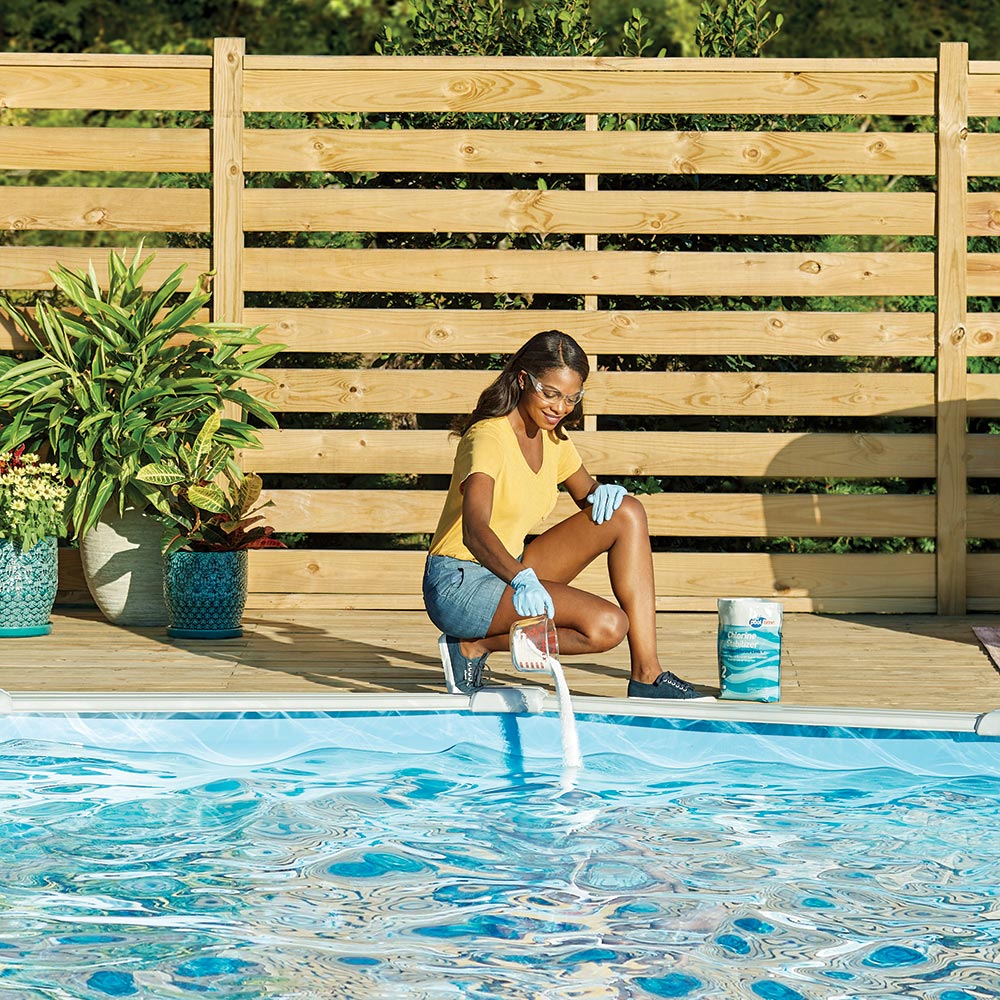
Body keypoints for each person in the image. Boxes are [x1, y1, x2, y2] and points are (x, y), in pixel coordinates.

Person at [422, 330, 710, 700]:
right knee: (607, 626)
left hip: (509, 569)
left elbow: (589, 494)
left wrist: (603, 494)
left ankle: (646, 675)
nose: (560, 408)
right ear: (524, 380)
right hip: (460, 581)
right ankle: (472, 646)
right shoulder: (487, 438)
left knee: (627, 512)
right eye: (551, 393)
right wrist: (522, 579)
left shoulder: (552, 438)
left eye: (572, 398)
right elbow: (474, 532)